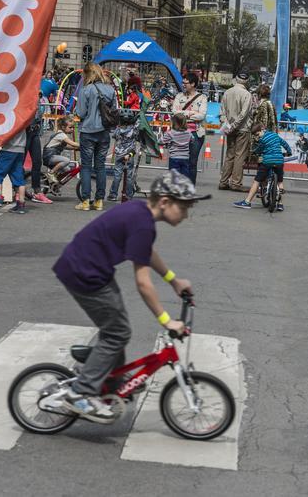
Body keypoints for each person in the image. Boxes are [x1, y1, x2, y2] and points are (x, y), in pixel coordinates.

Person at [49, 169, 209, 420]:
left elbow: (145, 251)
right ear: (165, 202)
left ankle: (109, 380)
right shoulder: (142, 222)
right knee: (117, 332)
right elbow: (143, 284)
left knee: (116, 327)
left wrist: (173, 280)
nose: (187, 215)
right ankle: (80, 393)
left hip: (90, 269)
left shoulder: (141, 215)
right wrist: (167, 321)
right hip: (83, 274)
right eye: (185, 207)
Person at [76, 62, 118, 212]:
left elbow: (80, 112)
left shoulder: (86, 90)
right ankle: (99, 200)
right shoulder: (110, 89)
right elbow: (114, 111)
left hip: (88, 131)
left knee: (86, 167)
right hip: (104, 132)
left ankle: (86, 200)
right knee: (100, 166)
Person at [234, 122, 292, 209]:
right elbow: (284, 143)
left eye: (258, 134)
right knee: (280, 181)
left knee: (257, 180)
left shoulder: (262, 140)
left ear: (262, 129)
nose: (258, 137)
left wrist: (254, 152)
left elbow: (258, 150)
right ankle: (280, 204)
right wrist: (289, 152)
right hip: (280, 161)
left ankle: (247, 202)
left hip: (267, 161)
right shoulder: (275, 135)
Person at [218, 72, 253, 192]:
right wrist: (234, 125)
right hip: (242, 128)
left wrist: (228, 124)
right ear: (247, 81)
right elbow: (244, 114)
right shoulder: (247, 94)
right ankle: (236, 183)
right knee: (239, 156)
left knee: (229, 154)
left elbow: (222, 111)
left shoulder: (227, 92)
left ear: (236, 80)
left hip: (229, 127)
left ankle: (223, 181)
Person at [172, 72, 207, 185]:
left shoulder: (202, 98)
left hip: (196, 134)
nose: (183, 85)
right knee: (179, 161)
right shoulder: (179, 96)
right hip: (180, 133)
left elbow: (201, 115)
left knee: (192, 162)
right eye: (183, 82)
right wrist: (191, 114)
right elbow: (174, 113)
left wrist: (183, 114)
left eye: (185, 83)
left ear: (193, 84)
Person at [0, 128, 28, 214]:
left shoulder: (11, 116)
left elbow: (5, 132)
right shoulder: (25, 118)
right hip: (20, 150)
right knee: (19, 177)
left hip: (8, 149)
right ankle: (21, 204)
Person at [108, 109, 140, 202]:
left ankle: (113, 194)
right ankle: (128, 195)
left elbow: (114, 136)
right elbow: (138, 132)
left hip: (119, 154)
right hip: (130, 154)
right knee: (129, 176)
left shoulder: (118, 130)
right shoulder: (134, 130)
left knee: (117, 175)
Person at [25, 101, 50, 204]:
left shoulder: (37, 94)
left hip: (35, 131)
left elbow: (38, 113)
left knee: (37, 161)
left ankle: (37, 191)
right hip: (25, 131)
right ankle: (17, 190)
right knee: (18, 161)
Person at [160, 112, 192, 179]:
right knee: (184, 178)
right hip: (185, 158)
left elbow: (161, 141)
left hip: (174, 157)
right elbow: (192, 140)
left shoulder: (171, 133)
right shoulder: (189, 132)